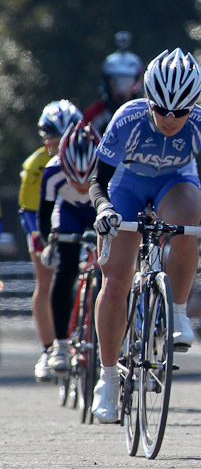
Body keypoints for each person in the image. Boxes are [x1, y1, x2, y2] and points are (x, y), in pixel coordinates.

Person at [89, 48, 201, 422]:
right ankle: (106, 378)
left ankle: (178, 311)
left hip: (175, 182)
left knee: (188, 221)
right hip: (127, 185)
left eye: (180, 112)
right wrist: (105, 210)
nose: (171, 119)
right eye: (162, 110)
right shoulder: (127, 118)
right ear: (148, 101)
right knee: (116, 277)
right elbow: (98, 181)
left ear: (194, 106)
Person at [19, 100, 82, 381]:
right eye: (54, 141)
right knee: (46, 278)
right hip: (41, 219)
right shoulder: (36, 166)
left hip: (78, 217)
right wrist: (43, 240)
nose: (60, 147)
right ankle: (48, 350)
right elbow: (31, 210)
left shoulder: (88, 153)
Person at [37, 123, 100, 373]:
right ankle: (61, 344)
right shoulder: (52, 171)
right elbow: (44, 216)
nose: (82, 187)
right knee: (65, 270)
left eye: (88, 179)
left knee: (111, 270)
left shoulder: (110, 167)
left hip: (99, 208)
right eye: (75, 179)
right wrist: (48, 243)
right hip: (69, 213)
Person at [83, 31, 143, 135]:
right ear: (107, 83)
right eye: (116, 81)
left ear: (136, 83)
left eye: (127, 81)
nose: (122, 88)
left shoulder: (147, 112)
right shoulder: (93, 115)